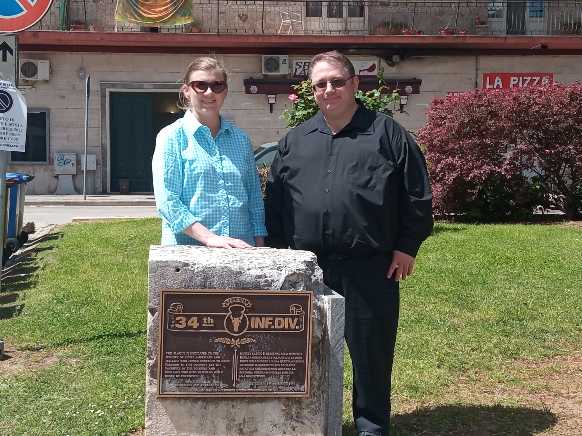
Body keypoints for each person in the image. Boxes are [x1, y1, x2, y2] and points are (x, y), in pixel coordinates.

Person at [265, 51, 433, 436]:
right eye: (320, 84)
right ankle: (307, 423)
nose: (329, 89)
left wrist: (407, 246)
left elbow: (417, 193)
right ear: (312, 90)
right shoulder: (296, 140)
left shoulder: (388, 134)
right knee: (304, 353)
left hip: (370, 267)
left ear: (355, 84)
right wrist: (278, 254)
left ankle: (371, 426)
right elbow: (275, 202)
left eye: (337, 81)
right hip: (308, 269)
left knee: (371, 355)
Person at [152, 57, 266, 248]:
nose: (209, 92)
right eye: (200, 85)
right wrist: (210, 238)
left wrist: (260, 245)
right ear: (186, 91)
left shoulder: (241, 139)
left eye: (217, 85)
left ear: (225, 91)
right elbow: (168, 201)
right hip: (189, 253)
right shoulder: (171, 137)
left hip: (242, 251)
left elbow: (254, 197)